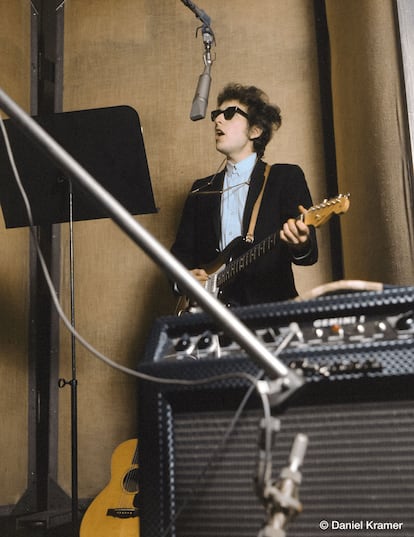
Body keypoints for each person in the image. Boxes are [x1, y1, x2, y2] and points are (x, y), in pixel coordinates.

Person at [171, 82, 318, 307]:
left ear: (255, 130)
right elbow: (179, 256)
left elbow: (308, 255)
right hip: (212, 316)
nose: (218, 120)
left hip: (270, 315)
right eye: (216, 114)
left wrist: (301, 243)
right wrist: (183, 280)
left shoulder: (284, 178)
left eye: (230, 114)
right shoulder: (200, 190)